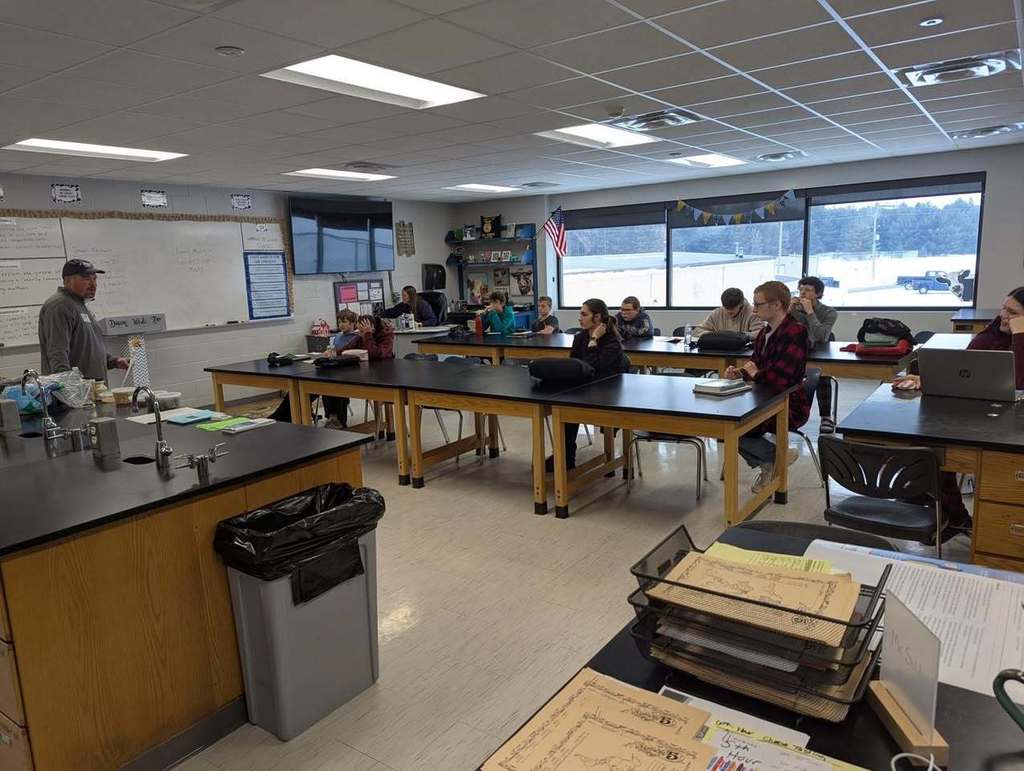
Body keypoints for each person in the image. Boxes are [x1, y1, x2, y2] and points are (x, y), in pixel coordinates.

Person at [891, 287, 1024, 536]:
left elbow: (1018, 382)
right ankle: (945, 508)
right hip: (979, 415)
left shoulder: (1018, 339)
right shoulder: (992, 334)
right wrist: (927, 379)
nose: (1003, 315)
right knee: (926, 441)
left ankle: (948, 509)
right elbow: (965, 369)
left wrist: (1020, 336)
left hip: (1014, 426)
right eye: (1004, 308)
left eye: (1013, 312)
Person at [725, 280, 809, 493]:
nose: (753, 310)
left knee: (735, 428)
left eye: (758, 304)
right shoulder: (764, 333)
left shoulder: (796, 332)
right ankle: (773, 459)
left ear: (777, 305)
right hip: (762, 398)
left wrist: (755, 374)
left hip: (788, 403)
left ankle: (772, 459)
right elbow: (755, 366)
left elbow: (783, 379)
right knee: (723, 425)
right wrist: (740, 374)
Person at [546, 298, 630, 471]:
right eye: (580, 313)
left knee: (571, 405)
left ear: (597, 317)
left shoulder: (612, 341)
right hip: (585, 387)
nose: (580, 318)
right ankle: (566, 455)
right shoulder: (579, 338)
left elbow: (594, 367)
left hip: (607, 393)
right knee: (563, 405)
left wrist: (593, 340)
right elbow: (575, 365)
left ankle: (567, 454)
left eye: (584, 314)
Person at [38, 259, 128, 382]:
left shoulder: (79, 305)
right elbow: (57, 352)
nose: (93, 284)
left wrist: (113, 361)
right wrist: (70, 392)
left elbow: (87, 347)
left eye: (94, 279)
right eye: (86, 278)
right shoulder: (60, 306)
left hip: (91, 392)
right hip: (77, 395)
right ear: (68, 281)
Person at [789, 276, 838, 433]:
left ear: (818, 294)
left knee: (823, 375)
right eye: (801, 289)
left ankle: (825, 417)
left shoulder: (829, 312)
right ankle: (786, 413)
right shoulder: (793, 310)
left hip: (818, 350)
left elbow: (821, 336)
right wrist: (788, 310)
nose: (803, 293)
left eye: (808, 290)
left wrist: (810, 312)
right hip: (796, 350)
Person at [693, 287, 764, 339]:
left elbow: (760, 333)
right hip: (719, 351)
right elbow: (698, 331)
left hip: (743, 353)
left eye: (732, 309)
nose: (728, 311)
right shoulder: (717, 313)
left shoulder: (753, 313)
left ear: (741, 304)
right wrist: (716, 335)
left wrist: (739, 336)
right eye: (726, 308)